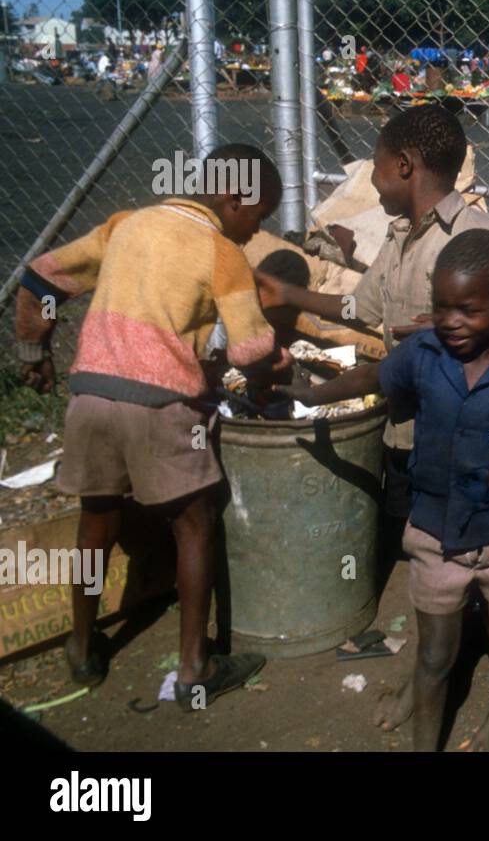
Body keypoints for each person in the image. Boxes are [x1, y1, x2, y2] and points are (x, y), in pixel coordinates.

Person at [253, 105, 489, 728]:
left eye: (378, 169)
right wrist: (290, 296)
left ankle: (445, 674)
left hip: (467, 434)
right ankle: (428, 674)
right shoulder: (400, 235)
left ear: (404, 165)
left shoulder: (477, 236)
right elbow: (362, 309)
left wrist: (450, 328)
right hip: (409, 430)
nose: (374, 181)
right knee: (428, 562)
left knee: (475, 552)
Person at [283, 230, 489, 750]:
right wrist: (312, 394)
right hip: (435, 534)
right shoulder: (422, 354)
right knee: (434, 657)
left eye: (467, 310)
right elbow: (373, 376)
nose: (451, 322)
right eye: (441, 308)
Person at [15, 144, 287, 709]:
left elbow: (43, 280)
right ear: (237, 198)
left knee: (96, 521)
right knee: (195, 524)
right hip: (159, 405)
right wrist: (271, 365)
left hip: (90, 395)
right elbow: (250, 346)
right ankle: (193, 668)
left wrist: (33, 348)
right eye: (255, 222)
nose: (249, 237)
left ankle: (83, 645)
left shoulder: (126, 225)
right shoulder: (220, 251)